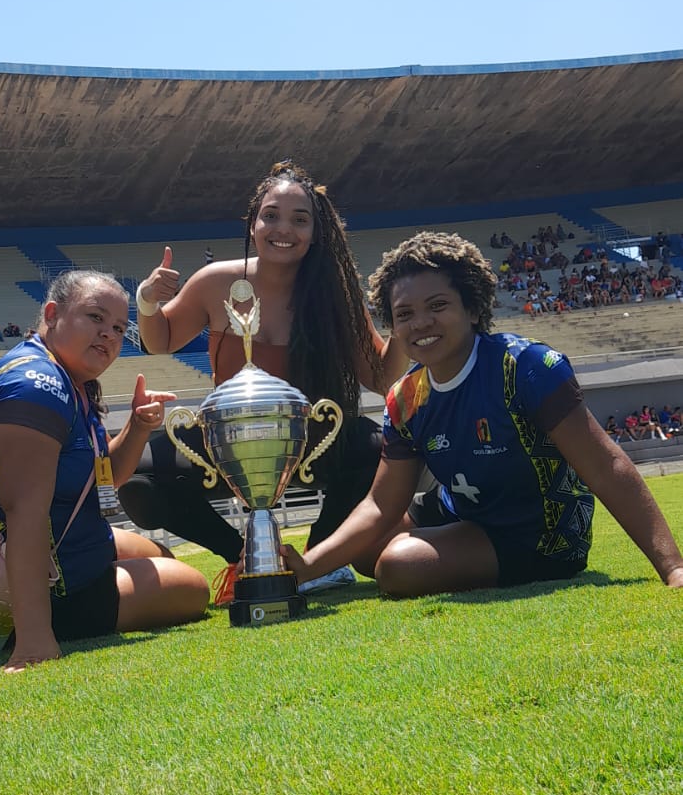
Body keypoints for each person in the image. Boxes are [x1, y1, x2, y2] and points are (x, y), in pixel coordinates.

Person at [285, 231, 683, 596]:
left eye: (437, 306)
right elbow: (380, 504)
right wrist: (307, 566)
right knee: (365, 548)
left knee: (398, 565)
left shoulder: (527, 367)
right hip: (463, 512)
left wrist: (673, 567)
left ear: (473, 308)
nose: (421, 322)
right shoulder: (404, 398)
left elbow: (605, 466)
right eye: (404, 314)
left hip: (538, 531)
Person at [119, 161, 406, 601]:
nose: (283, 228)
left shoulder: (335, 293)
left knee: (379, 449)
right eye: (270, 215)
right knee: (140, 482)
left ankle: (318, 562)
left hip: (312, 440)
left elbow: (381, 376)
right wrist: (147, 300)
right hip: (227, 439)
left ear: (316, 232)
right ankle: (248, 559)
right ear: (252, 223)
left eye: (299, 219)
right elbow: (161, 340)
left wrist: (404, 325)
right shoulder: (215, 281)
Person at [0, 270, 209, 672]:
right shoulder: (36, 384)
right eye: (95, 317)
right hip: (18, 594)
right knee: (193, 589)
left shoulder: (65, 379)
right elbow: (24, 514)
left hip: (63, 549)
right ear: (53, 314)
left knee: (158, 555)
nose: (109, 334)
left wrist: (138, 426)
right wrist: (34, 640)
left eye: (120, 328)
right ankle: (41, 625)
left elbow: (106, 478)